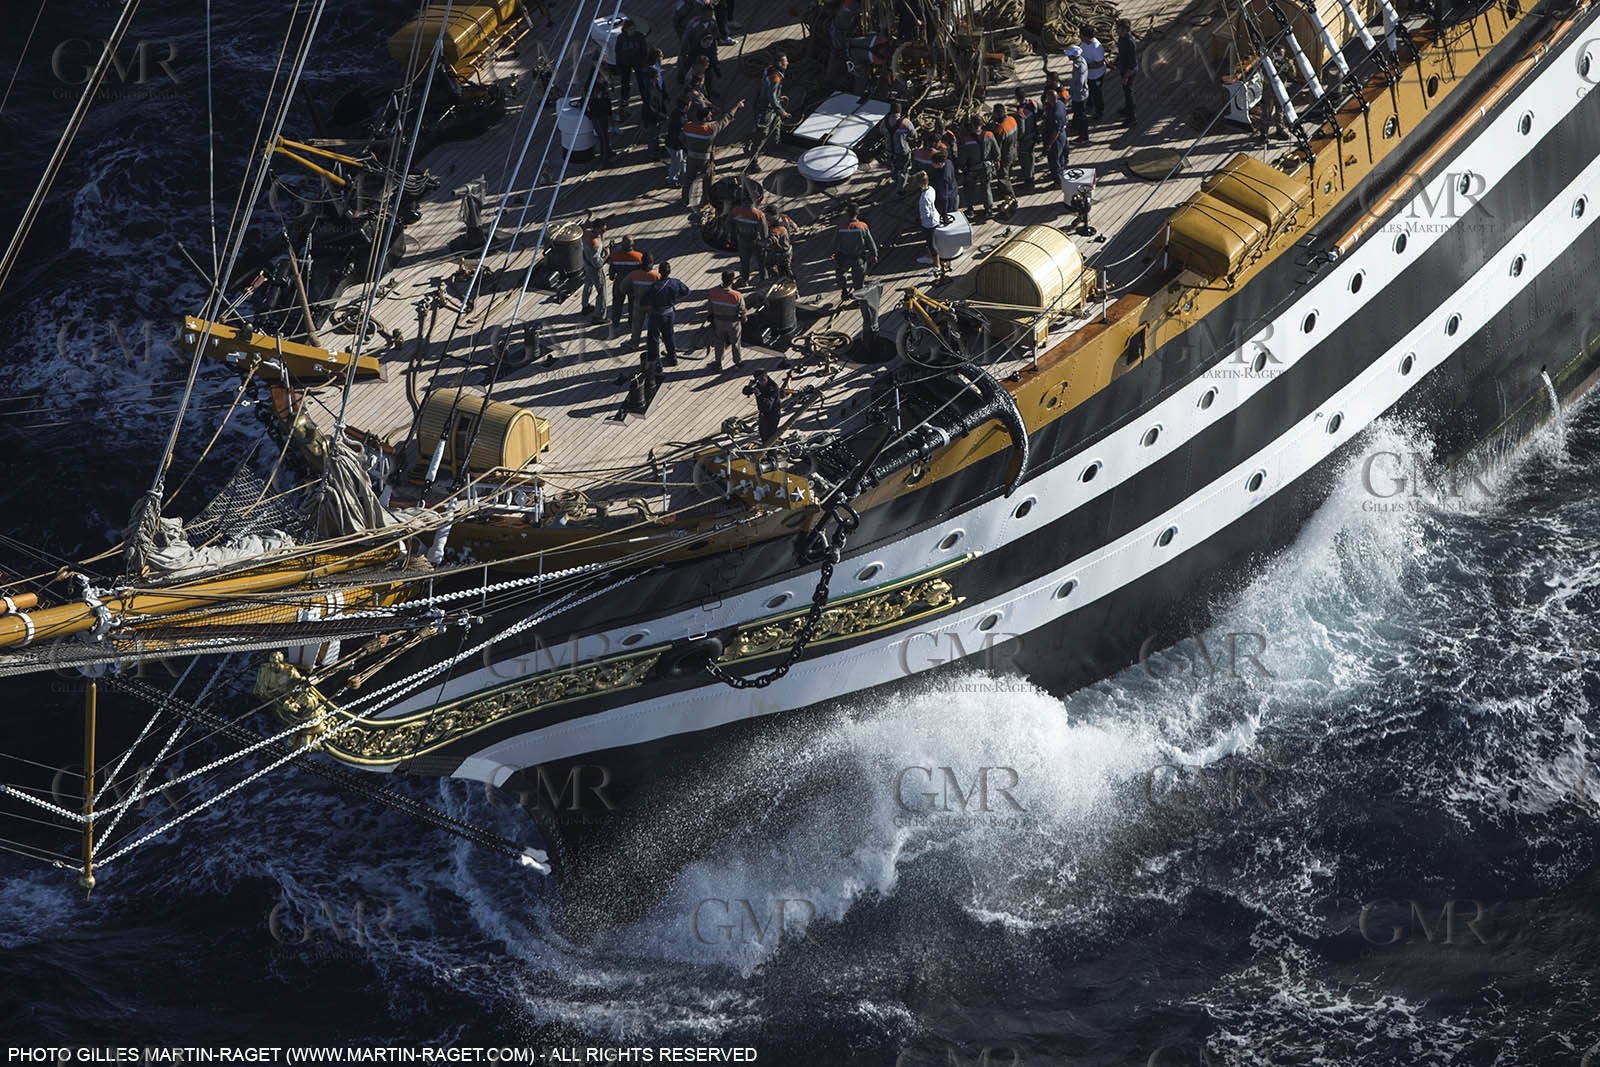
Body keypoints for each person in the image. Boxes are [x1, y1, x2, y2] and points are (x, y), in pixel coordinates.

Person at [681, 101, 745, 211]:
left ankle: (684, 200)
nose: (711, 116)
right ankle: (704, 202)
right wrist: (736, 106)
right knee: (707, 181)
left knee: (689, 180)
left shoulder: (688, 126)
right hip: (705, 160)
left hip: (691, 158)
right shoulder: (710, 130)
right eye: (710, 115)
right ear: (705, 118)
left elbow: (682, 139)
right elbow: (726, 119)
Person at [643, 260, 692, 374]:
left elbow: (644, 301)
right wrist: (675, 298)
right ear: (669, 272)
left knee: (654, 338)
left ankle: (656, 363)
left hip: (656, 314)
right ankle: (672, 357)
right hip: (669, 313)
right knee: (669, 335)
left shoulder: (654, 287)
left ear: (659, 272)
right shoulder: (675, 283)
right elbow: (686, 291)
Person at [747, 54, 789, 171]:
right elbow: (771, 95)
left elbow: (768, 90)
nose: (787, 64)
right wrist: (782, 112)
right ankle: (753, 161)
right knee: (762, 134)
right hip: (765, 109)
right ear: (780, 63)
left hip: (769, 105)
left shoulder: (768, 70)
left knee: (776, 126)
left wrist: (778, 97)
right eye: (785, 62)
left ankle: (774, 146)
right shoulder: (775, 77)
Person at [831, 203, 878, 298]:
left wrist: (832, 252)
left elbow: (835, 242)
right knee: (859, 280)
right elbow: (870, 241)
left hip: (844, 258)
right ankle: (857, 298)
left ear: (846, 214)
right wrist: (874, 254)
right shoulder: (862, 226)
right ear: (858, 213)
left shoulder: (840, 227)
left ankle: (844, 291)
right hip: (858, 259)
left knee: (841, 273)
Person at [957, 116, 997, 218]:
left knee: (969, 189)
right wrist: (996, 160)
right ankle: (988, 209)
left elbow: (963, 156)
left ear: (972, 125)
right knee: (986, 188)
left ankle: (970, 210)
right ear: (982, 124)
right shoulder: (989, 135)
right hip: (986, 167)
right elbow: (996, 151)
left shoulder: (966, 139)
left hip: (971, 169)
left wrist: (960, 165)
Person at [707, 269, 747, 369]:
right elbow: (742, 310)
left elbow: (709, 308)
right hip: (733, 323)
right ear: (732, 281)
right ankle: (738, 362)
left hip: (718, 322)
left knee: (719, 342)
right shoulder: (736, 295)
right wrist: (744, 319)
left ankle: (718, 362)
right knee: (735, 342)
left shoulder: (713, 292)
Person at [731, 191, 768, 285]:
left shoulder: (736, 211)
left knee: (744, 261)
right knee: (761, 261)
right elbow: (764, 231)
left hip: (742, 239)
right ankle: (763, 280)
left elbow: (729, 225)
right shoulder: (759, 214)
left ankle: (745, 280)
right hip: (755, 240)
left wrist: (734, 235)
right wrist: (765, 242)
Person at [613, 19, 647, 119]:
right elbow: (618, 52)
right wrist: (618, 64)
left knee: (641, 80)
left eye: (633, 29)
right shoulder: (621, 38)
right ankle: (625, 98)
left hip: (638, 62)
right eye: (630, 29)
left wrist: (643, 61)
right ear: (626, 29)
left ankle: (645, 96)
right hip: (625, 63)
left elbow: (644, 49)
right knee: (625, 81)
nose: (632, 31)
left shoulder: (639, 36)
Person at [624, 252, 660, 345]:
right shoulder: (657, 276)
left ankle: (634, 342)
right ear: (652, 262)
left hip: (639, 302)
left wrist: (631, 293)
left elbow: (623, 287)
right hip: (652, 305)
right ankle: (653, 343)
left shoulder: (634, 274)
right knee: (654, 325)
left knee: (636, 324)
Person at [607, 235, 644, 326]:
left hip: (619, 281)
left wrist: (612, 276)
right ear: (633, 244)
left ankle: (615, 322)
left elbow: (611, 273)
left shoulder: (615, 256)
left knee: (617, 303)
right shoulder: (639, 257)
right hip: (632, 283)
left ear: (622, 244)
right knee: (632, 303)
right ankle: (631, 322)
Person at [881, 101, 915, 193]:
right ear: (900, 111)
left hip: (889, 151)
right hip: (902, 152)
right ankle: (901, 189)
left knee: (894, 164)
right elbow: (913, 135)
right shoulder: (906, 122)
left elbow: (882, 132)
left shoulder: (884, 122)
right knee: (904, 170)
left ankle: (894, 176)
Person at [579, 218, 608, 324]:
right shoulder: (595, 244)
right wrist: (607, 255)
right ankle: (599, 316)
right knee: (602, 292)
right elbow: (598, 263)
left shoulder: (586, 233)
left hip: (586, 263)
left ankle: (585, 305)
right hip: (595, 269)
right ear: (595, 229)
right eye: (602, 230)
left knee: (588, 284)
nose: (604, 232)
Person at [639, 49, 667, 155]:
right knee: (652, 135)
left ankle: (655, 148)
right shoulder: (650, 91)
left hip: (655, 114)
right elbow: (651, 107)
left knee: (655, 132)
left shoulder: (654, 88)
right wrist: (660, 115)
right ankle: (652, 152)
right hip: (651, 117)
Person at [914, 171, 941, 278]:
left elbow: (926, 213)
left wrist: (920, 218)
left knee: (931, 243)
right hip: (935, 217)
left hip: (929, 223)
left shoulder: (924, 198)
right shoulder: (931, 189)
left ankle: (936, 265)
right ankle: (930, 257)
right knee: (930, 241)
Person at [743, 367, 783, 441]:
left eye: (763, 380)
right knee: (762, 432)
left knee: (770, 436)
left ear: (767, 377)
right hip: (763, 413)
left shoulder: (773, 387)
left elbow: (768, 405)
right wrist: (749, 387)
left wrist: (759, 394)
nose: (762, 382)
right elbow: (745, 392)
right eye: (760, 380)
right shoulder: (757, 384)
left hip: (773, 414)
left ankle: (772, 452)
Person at [1044, 72, 1069, 182]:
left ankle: (1058, 180)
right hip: (1061, 133)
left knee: (1055, 158)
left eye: (1047, 98)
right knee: (1060, 156)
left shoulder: (1056, 113)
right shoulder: (1059, 104)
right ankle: (1060, 172)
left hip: (1057, 137)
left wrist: (1049, 143)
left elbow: (1056, 131)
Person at [989, 103, 1017, 201]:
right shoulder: (1012, 120)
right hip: (1013, 150)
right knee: (1008, 172)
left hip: (1005, 155)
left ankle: (1011, 196)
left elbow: (997, 147)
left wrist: (996, 160)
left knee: (1003, 176)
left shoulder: (1001, 129)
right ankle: (1002, 191)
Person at [1080, 25, 1107, 122]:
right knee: (1090, 89)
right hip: (1088, 74)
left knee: (1097, 94)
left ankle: (1100, 111)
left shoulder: (1096, 47)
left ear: (1086, 37)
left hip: (1096, 75)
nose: (1080, 37)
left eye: (1081, 35)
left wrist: (1087, 66)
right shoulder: (1084, 44)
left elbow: (1099, 63)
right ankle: (1089, 104)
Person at [586, 71, 615, 165]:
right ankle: (604, 158)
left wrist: (609, 114)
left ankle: (607, 151)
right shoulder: (595, 91)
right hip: (597, 115)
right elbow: (601, 102)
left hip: (603, 114)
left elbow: (607, 102)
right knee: (602, 136)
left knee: (605, 134)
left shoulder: (602, 88)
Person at [1065, 45, 1091, 144]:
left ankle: (1083, 137)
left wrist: (1073, 91)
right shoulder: (1080, 61)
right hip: (1081, 93)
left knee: (1081, 115)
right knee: (1078, 113)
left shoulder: (1079, 66)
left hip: (1079, 95)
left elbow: (1080, 82)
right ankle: (1075, 127)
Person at [1115, 18, 1138, 127]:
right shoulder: (1121, 39)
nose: (1116, 30)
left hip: (1129, 72)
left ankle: (1132, 117)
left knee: (1129, 94)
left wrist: (1125, 77)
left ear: (1125, 29)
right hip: (1123, 68)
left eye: (1118, 28)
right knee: (1126, 92)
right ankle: (1127, 109)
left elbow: (1132, 64)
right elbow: (1121, 53)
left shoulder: (1129, 42)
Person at [763, 203, 795, 278]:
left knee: (783, 271)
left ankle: (782, 280)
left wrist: (758, 242)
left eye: (767, 215)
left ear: (773, 215)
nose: (766, 217)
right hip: (788, 248)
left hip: (781, 253)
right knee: (770, 264)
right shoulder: (784, 217)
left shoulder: (777, 229)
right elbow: (795, 227)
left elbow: (769, 242)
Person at [1014, 89, 1038, 189]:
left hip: (1026, 138)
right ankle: (1031, 173)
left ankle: (1028, 179)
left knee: (1024, 158)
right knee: (1031, 155)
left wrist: (1018, 139)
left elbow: (1022, 129)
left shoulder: (1021, 113)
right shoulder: (1033, 103)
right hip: (1034, 133)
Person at [664, 95, 688, 185]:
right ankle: (671, 179)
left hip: (672, 142)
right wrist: (682, 145)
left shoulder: (675, 113)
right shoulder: (680, 118)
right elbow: (677, 134)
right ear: (686, 106)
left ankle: (683, 175)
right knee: (676, 163)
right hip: (675, 145)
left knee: (681, 160)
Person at [933, 148, 959, 217]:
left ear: (939, 164)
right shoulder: (948, 162)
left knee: (950, 216)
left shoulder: (944, 178)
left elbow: (944, 196)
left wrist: (944, 212)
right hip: (954, 192)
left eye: (934, 163)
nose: (932, 165)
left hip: (949, 201)